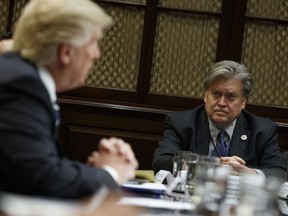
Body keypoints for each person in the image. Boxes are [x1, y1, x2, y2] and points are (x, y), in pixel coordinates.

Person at [0, 0, 138, 198]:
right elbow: (43, 180)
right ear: (66, 52)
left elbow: (32, 166)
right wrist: (110, 173)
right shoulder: (21, 85)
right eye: (93, 43)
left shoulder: (21, 76)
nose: (97, 54)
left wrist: (93, 172)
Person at [152, 60, 286, 180]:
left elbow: (278, 173)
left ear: (243, 102)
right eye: (216, 94)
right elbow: (161, 162)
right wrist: (210, 167)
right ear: (206, 96)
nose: (221, 103)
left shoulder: (262, 130)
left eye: (231, 96)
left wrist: (247, 174)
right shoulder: (181, 123)